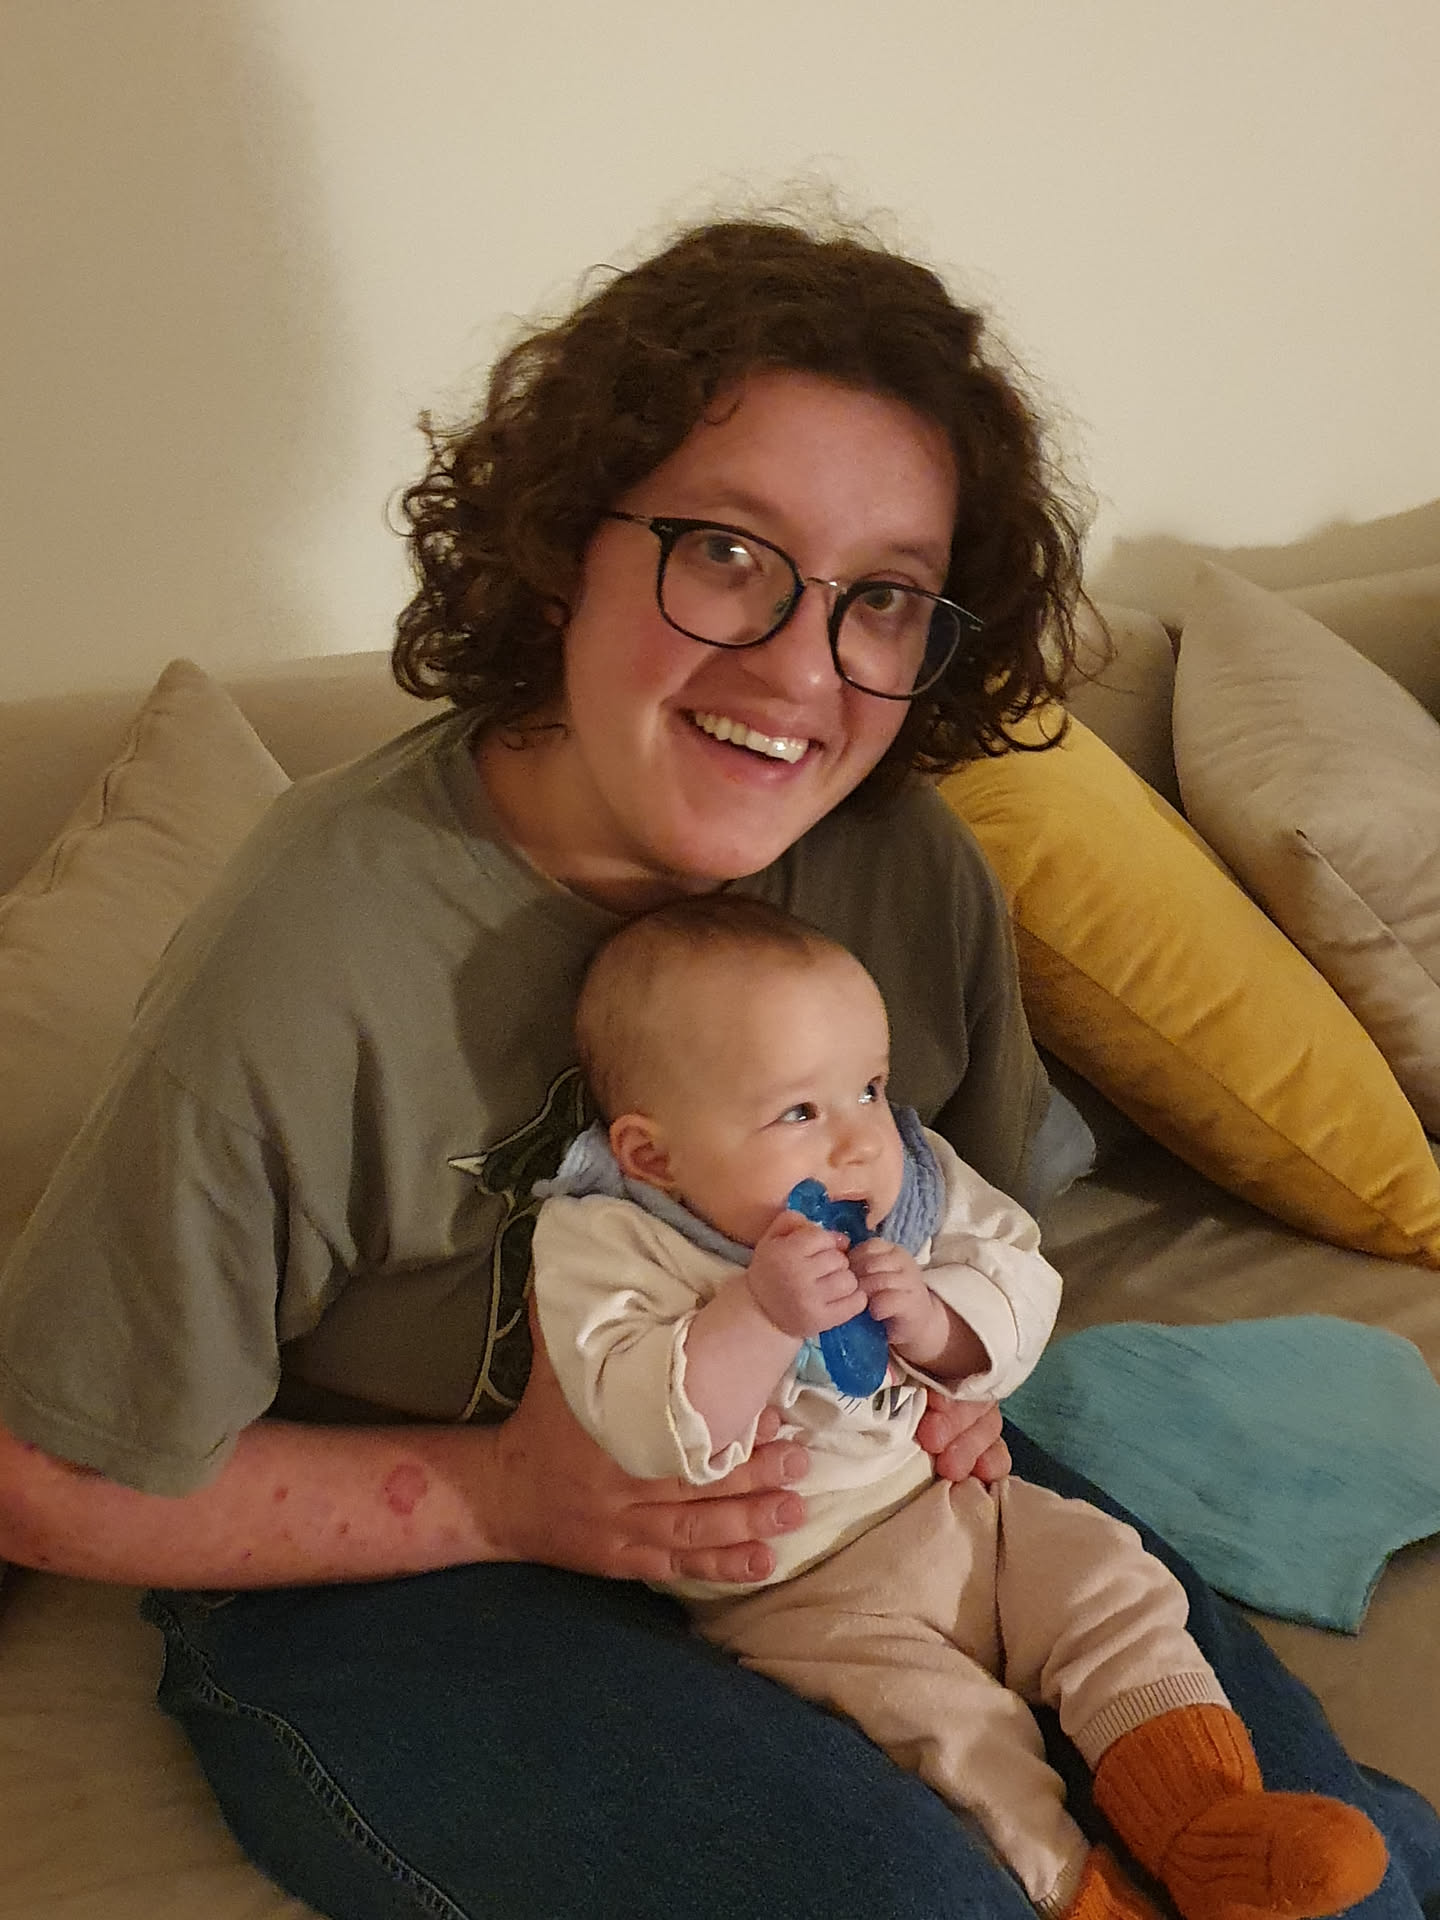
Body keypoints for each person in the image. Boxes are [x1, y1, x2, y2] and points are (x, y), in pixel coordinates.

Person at [0, 213, 1435, 1920]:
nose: (801, 667)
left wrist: (959, 1384)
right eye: (730, 552)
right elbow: (48, 1481)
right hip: (407, 1580)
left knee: (1314, 1866)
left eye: (881, 598)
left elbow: (974, 1243)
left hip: (851, 1485)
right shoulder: (314, 945)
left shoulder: (907, 873)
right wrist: (508, 1497)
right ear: (562, 548)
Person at [533, 892, 1387, 1920]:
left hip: (959, 1504)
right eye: (800, 1112)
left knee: (1114, 1586)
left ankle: (1205, 1822)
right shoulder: (610, 1243)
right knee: (952, 1737)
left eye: (869, 1087)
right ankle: (1084, 1897)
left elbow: (1021, 1280)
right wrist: (755, 1316)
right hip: (803, 1594)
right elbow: (637, 1419)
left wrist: (939, 1322)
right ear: (652, 1155)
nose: (859, 1143)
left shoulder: (912, 1184)